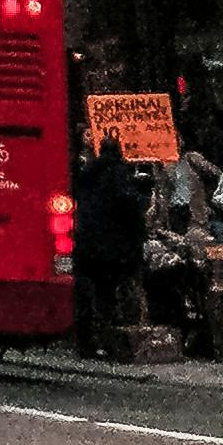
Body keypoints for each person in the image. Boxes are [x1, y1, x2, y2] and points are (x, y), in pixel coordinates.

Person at [74, 123, 154, 360]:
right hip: (113, 247)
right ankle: (111, 343)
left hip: (87, 242)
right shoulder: (118, 174)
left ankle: (87, 342)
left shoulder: (87, 174)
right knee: (108, 295)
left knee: (89, 293)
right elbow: (129, 208)